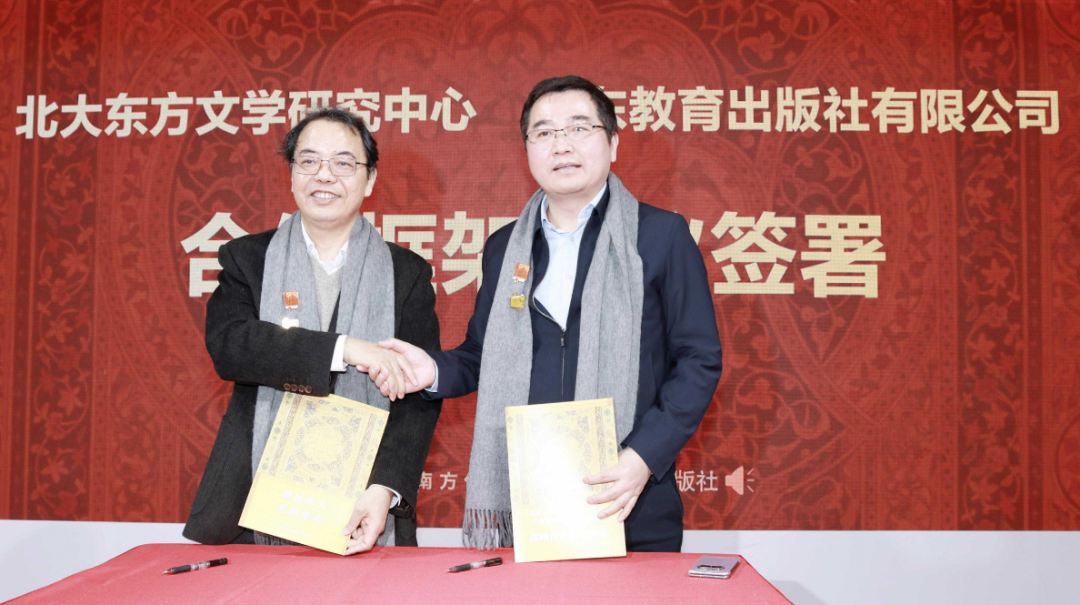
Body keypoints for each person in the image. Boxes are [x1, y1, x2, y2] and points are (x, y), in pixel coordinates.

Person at [380, 75, 722, 552]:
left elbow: (698, 360)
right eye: (543, 132)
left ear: (613, 143)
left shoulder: (660, 236)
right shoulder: (505, 247)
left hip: (628, 494)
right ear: (527, 150)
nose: (561, 145)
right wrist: (432, 371)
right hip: (530, 500)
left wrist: (643, 457)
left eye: (579, 128)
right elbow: (482, 355)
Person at [183, 106, 441, 554]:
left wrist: (384, 488)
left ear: (370, 179)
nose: (324, 176)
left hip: (363, 502)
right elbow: (232, 346)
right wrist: (347, 349)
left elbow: (416, 399)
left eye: (343, 163)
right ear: (291, 174)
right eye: (309, 161)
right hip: (252, 501)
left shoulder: (407, 273)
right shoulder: (247, 258)